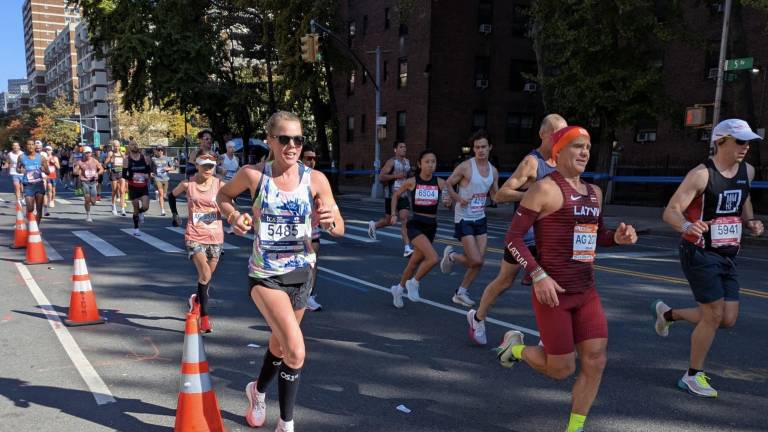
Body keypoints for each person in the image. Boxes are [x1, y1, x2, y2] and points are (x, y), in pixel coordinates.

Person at [497, 125, 637, 432]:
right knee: (561, 369)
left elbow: (597, 234)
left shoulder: (594, 192)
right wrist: (537, 274)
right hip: (553, 293)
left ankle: (574, 429)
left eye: (587, 147)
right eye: (577, 146)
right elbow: (513, 238)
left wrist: (618, 238)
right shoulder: (544, 189)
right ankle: (515, 348)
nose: (584, 152)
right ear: (558, 152)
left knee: (596, 361)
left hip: (586, 291)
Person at [217, 111, 344, 432]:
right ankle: (286, 424)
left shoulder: (315, 179)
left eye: (298, 139)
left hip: (302, 276)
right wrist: (234, 217)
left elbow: (339, 227)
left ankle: (257, 391)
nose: (292, 146)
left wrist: (331, 221)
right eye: (284, 139)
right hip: (266, 275)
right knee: (296, 350)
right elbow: (223, 196)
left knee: (279, 345)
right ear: (270, 141)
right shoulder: (253, 175)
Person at [652, 119, 764, 398]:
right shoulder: (701, 175)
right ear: (720, 141)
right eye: (740, 141)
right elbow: (671, 211)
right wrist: (687, 226)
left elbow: (743, 199)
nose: (746, 147)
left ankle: (669, 314)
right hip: (699, 251)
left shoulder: (748, 171)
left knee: (727, 319)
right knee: (713, 315)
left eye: (749, 142)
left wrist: (750, 221)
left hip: (728, 253)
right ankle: (692, 376)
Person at [466, 114, 566, 345]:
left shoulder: (562, 162)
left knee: (554, 281)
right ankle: (477, 318)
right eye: (556, 133)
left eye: (564, 133)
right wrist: (534, 196)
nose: (561, 138)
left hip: (549, 238)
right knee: (504, 281)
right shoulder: (532, 162)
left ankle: (548, 337)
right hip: (524, 237)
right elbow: (500, 195)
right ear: (543, 134)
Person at [440, 130, 499, 307]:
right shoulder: (466, 167)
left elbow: (495, 195)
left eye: (483, 147)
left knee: (479, 262)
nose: (480, 150)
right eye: (477, 147)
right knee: (476, 260)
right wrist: (457, 198)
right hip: (464, 219)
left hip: (480, 218)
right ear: (473, 149)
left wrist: (516, 195)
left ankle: (461, 292)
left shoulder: (493, 171)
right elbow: (448, 183)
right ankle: (451, 256)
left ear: (490, 147)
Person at [169, 150, 224, 333]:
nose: (208, 169)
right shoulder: (188, 185)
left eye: (211, 166)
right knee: (205, 274)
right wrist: (175, 215)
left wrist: (234, 214)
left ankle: (196, 302)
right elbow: (171, 195)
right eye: (204, 166)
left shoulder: (220, 185)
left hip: (215, 236)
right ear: (197, 166)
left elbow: (230, 202)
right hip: (194, 235)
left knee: (205, 278)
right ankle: (205, 318)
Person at [389, 149, 452, 308]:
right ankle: (414, 283)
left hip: (431, 226)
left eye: (433, 162)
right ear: (420, 164)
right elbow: (395, 195)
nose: (431, 165)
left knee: (414, 263)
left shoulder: (441, 183)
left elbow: (448, 202)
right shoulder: (412, 181)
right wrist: (393, 214)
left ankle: (398, 289)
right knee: (433, 258)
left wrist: (448, 203)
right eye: (427, 162)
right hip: (416, 224)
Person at [367, 141, 414, 257]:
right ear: (395, 150)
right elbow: (381, 177)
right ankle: (374, 225)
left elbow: (409, 176)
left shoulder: (407, 162)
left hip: (403, 195)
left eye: (405, 147)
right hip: (391, 195)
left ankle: (407, 248)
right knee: (389, 221)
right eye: (401, 147)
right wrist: (396, 176)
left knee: (404, 219)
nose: (404, 149)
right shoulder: (391, 162)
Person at [301, 145, 323, 311]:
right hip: (293, 228)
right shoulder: (291, 177)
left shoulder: (317, 178)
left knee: (312, 262)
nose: (312, 161)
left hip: (312, 226)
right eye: (308, 158)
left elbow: (324, 199)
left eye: (314, 158)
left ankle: (308, 296)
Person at [123, 140, 152, 235]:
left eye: (136, 144)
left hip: (143, 186)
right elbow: (124, 175)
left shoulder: (145, 158)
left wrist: (147, 175)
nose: (135, 146)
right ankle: (136, 229)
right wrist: (132, 177)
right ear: (129, 147)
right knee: (135, 208)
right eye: (132, 145)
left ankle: (141, 212)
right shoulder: (127, 159)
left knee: (145, 207)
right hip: (133, 187)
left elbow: (149, 171)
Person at [16, 139, 49, 223]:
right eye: (28, 144)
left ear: (35, 146)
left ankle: (36, 227)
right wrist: (20, 170)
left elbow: (48, 172)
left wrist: (44, 170)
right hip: (28, 185)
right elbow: (17, 169)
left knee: (39, 208)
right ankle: (31, 221)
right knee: (30, 208)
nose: (30, 146)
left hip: (39, 184)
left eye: (32, 144)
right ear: (26, 146)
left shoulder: (41, 158)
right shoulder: (21, 157)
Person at [74, 147, 104, 222]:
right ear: (83, 153)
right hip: (84, 182)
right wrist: (77, 172)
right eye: (86, 153)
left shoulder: (95, 161)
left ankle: (91, 201)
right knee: (87, 199)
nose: (87, 154)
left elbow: (101, 169)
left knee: (93, 201)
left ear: (91, 153)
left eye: (89, 153)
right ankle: (88, 215)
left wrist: (97, 173)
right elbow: (75, 171)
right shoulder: (80, 162)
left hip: (93, 182)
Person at [105, 140, 127, 216]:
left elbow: (126, 163)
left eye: (117, 146)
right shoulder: (111, 153)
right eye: (115, 146)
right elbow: (106, 163)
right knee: (114, 190)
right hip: (114, 173)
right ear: (113, 146)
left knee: (122, 191)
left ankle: (122, 209)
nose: (116, 148)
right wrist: (109, 162)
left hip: (121, 173)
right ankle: (113, 206)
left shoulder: (122, 153)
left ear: (119, 146)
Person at [151, 146, 173, 216]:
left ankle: (162, 196)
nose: (160, 151)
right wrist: (150, 173)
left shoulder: (167, 158)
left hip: (165, 178)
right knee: (161, 193)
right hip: (157, 178)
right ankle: (162, 210)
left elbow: (172, 167)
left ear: (163, 151)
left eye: (161, 150)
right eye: (158, 150)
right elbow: (150, 168)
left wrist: (167, 169)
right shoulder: (153, 159)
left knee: (164, 195)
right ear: (156, 151)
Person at [45, 146, 61, 211]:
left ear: (51, 151)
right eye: (46, 150)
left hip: (54, 176)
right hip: (47, 176)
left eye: (49, 150)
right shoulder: (44, 158)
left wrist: (54, 162)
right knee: (49, 188)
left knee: (53, 190)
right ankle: (49, 201)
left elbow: (58, 167)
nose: (48, 151)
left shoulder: (55, 158)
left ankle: (52, 200)